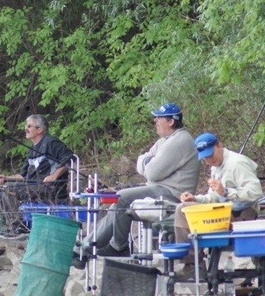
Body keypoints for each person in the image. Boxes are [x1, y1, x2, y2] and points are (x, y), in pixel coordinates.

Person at [82, 102, 199, 257]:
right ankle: (90, 245)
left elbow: (152, 173)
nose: (155, 121)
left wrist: (148, 163)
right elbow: (141, 160)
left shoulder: (180, 140)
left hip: (172, 194)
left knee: (121, 198)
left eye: (159, 118)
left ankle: (113, 247)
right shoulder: (165, 140)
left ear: (171, 121)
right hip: (158, 188)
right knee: (117, 202)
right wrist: (147, 162)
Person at [173, 132, 263, 243]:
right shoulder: (216, 166)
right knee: (183, 209)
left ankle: (192, 256)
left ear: (219, 146)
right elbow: (215, 197)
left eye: (211, 155)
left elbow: (256, 192)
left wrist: (225, 192)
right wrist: (195, 199)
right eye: (205, 158)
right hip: (222, 212)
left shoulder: (236, 163)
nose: (209, 160)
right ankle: (189, 257)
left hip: (243, 214)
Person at [0, 114, 75, 236]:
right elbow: (23, 176)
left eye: (29, 126)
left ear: (40, 129)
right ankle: (14, 225)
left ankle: (20, 227)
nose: (25, 128)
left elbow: (70, 158)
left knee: (9, 190)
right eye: (26, 125)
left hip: (51, 189)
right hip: (33, 186)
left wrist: (54, 176)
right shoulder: (32, 148)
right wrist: (7, 178)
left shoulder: (51, 142)